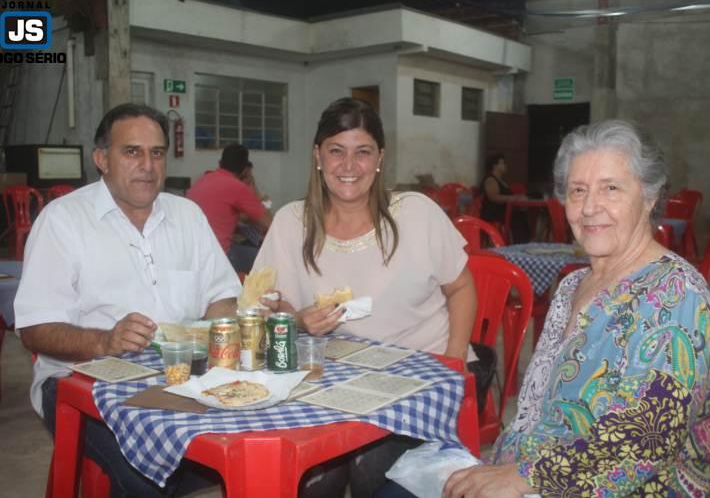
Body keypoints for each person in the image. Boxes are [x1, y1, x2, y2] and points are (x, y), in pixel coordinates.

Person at [377, 119, 710, 497]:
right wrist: (506, 468)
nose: (589, 207)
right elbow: (538, 412)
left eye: (610, 188)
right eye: (578, 190)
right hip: (535, 469)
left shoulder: (675, 292)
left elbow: (646, 439)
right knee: (394, 484)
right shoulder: (572, 286)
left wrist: (525, 476)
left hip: (626, 487)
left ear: (650, 196)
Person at [252, 97, 478, 497]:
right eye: (336, 151)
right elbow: (264, 308)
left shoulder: (416, 213)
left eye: (363, 152)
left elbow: (460, 287)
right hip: (332, 386)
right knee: (313, 474)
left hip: (418, 382)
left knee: (370, 464)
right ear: (317, 156)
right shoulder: (291, 222)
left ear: (380, 159)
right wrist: (300, 321)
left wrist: (455, 360)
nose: (349, 166)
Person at [15, 103, 240, 497]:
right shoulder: (64, 220)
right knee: (146, 477)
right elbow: (35, 329)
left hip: (179, 378)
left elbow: (223, 297)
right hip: (81, 384)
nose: (148, 166)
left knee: (244, 444)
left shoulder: (187, 215)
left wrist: (211, 334)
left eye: (157, 153)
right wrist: (105, 341)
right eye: (132, 152)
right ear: (102, 159)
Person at [186, 143, 272, 273]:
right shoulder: (237, 187)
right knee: (269, 259)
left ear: (220, 163)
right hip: (219, 258)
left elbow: (226, 216)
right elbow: (269, 223)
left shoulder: (203, 179)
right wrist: (256, 192)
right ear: (245, 170)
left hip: (192, 255)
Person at [478, 154, 530, 243]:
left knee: (521, 214)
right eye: (502, 163)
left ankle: (524, 242)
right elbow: (494, 197)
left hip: (502, 211)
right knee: (517, 216)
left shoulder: (501, 180)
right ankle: (520, 244)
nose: (505, 165)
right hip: (493, 213)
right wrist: (514, 198)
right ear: (494, 166)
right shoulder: (490, 179)